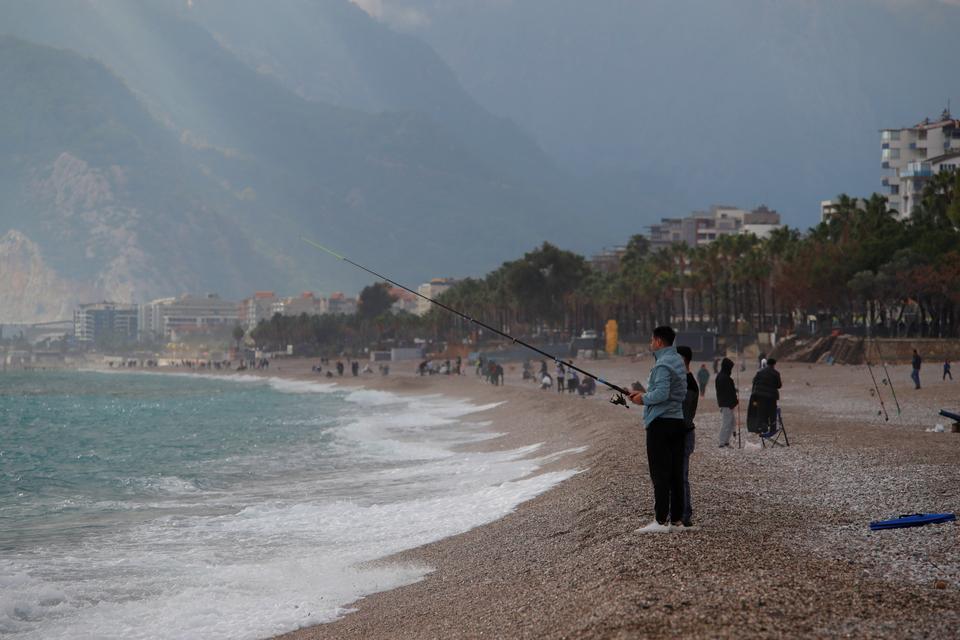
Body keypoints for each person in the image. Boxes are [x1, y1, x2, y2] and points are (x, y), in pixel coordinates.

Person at [629, 326, 687, 533]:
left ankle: (660, 521)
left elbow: (661, 394)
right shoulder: (678, 361)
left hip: (660, 424)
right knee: (675, 473)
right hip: (677, 421)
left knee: (660, 474)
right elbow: (671, 392)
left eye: (651, 340)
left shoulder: (662, 365)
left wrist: (641, 399)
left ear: (659, 342)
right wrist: (642, 394)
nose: (650, 343)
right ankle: (677, 520)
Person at [675, 345, 698, 528]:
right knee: (678, 476)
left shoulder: (688, 384)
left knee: (681, 476)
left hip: (682, 436)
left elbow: (682, 415)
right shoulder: (685, 381)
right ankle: (679, 513)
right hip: (683, 434)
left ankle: (684, 514)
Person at [750, 357, 782, 435]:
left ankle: (762, 428)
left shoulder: (760, 372)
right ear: (774, 364)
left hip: (760, 396)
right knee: (772, 413)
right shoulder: (776, 373)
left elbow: (754, 381)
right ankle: (772, 430)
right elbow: (779, 385)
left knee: (761, 412)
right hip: (771, 397)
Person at [715, 357, 738, 448]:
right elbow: (727, 392)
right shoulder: (724, 378)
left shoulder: (723, 376)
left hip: (727, 403)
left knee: (731, 422)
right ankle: (722, 442)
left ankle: (726, 441)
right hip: (726, 404)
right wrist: (733, 402)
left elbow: (729, 390)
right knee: (726, 423)